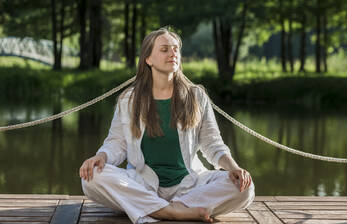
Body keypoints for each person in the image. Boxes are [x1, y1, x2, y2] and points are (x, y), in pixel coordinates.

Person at [80, 27, 255, 224]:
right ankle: (172, 212)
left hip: (190, 185)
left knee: (245, 188)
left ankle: (157, 208)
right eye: (164, 49)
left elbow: (212, 144)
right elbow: (117, 144)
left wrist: (233, 168)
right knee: (92, 177)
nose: (172, 53)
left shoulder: (196, 96)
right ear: (148, 59)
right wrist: (101, 156)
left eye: (175, 49)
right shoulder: (128, 99)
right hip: (142, 183)